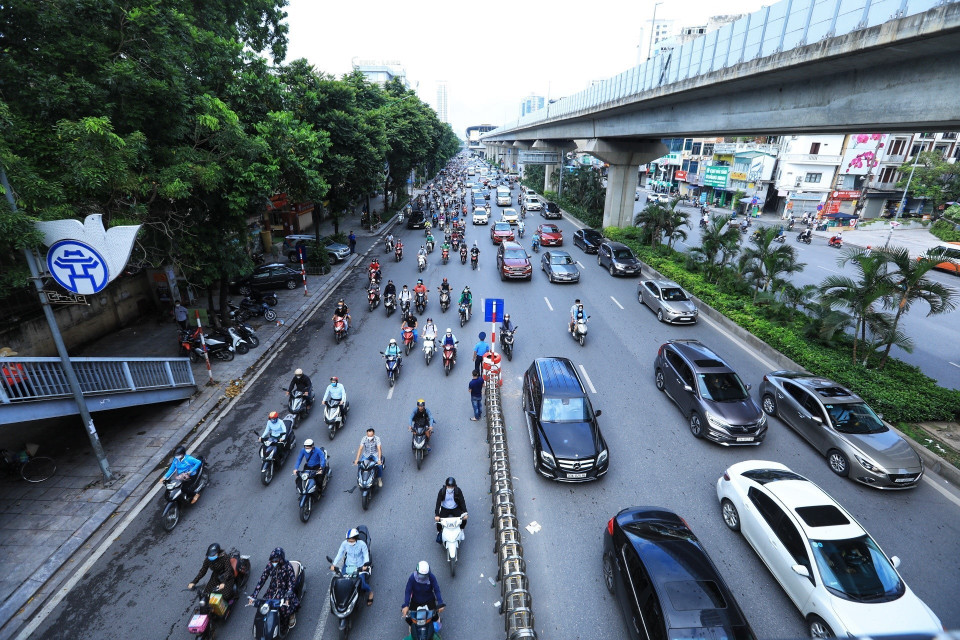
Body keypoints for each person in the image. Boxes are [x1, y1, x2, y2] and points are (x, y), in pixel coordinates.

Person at [249, 547, 300, 630]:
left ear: (280, 559)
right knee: (264, 605)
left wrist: (288, 596)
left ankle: (291, 615)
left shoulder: (288, 567)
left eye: (276, 560)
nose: (274, 562)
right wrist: (254, 595)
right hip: (272, 590)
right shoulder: (269, 566)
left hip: (285, 590)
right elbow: (262, 579)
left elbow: (291, 583)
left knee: (284, 607)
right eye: (272, 560)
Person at [330, 529, 373, 605]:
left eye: (351, 540)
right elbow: (339, 554)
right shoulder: (344, 544)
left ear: (356, 538)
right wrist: (334, 564)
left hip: (359, 566)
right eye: (348, 540)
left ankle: (370, 593)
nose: (349, 542)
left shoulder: (362, 544)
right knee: (342, 580)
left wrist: (365, 565)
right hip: (348, 565)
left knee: (362, 584)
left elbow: (366, 555)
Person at [401, 561, 445, 635]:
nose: (423, 578)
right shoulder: (412, 578)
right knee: (411, 620)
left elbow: (436, 589)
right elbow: (408, 591)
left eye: (425, 576)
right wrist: (406, 605)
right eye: (421, 576)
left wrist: (440, 603)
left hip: (429, 600)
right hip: (415, 601)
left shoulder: (431, 577)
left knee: (435, 617)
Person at [434, 477, 468, 541]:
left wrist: (465, 512)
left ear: (454, 486)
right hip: (445, 508)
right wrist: (437, 515)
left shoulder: (458, 491)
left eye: (452, 487)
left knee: (464, 520)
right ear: (446, 486)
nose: (450, 488)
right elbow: (438, 503)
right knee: (439, 522)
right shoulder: (442, 491)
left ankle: (461, 529)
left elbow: (462, 502)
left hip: (455, 508)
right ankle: (439, 532)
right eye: (449, 487)